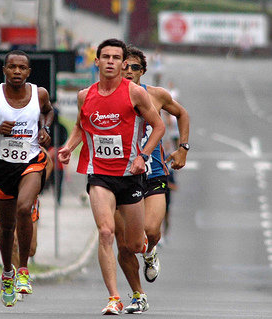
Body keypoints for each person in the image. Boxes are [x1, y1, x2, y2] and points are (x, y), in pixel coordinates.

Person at [57, 39, 165, 315]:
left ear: (122, 63)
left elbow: (159, 126)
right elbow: (82, 127)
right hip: (100, 174)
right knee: (106, 232)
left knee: (133, 245)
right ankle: (114, 297)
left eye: (116, 58)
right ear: (97, 61)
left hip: (130, 176)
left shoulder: (135, 94)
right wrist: (69, 147)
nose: (110, 62)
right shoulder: (85, 96)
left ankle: (147, 259)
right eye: (105, 56)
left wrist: (143, 156)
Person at [0, 50, 54, 307]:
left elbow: (49, 112)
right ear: (4, 69)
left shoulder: (39, 94)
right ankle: (7, 273)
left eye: (22, 68)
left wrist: (45, 129)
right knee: (6, 227)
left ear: (29, 72)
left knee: (25, 208)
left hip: (32, 162)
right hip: (3, 166)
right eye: (12, 67)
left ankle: (23, 270)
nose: (17, 71)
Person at [115, 46, 190, 313]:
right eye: (125, 66)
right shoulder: (105, 96)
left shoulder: (156, 95)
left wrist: (183, 148)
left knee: (150, 231)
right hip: (118, 176)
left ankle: (150, 251)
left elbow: (182, 114)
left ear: (143, 72)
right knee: (123, 244)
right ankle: (138, 295)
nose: (129, 71)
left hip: (152, 173)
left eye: (135, 67)